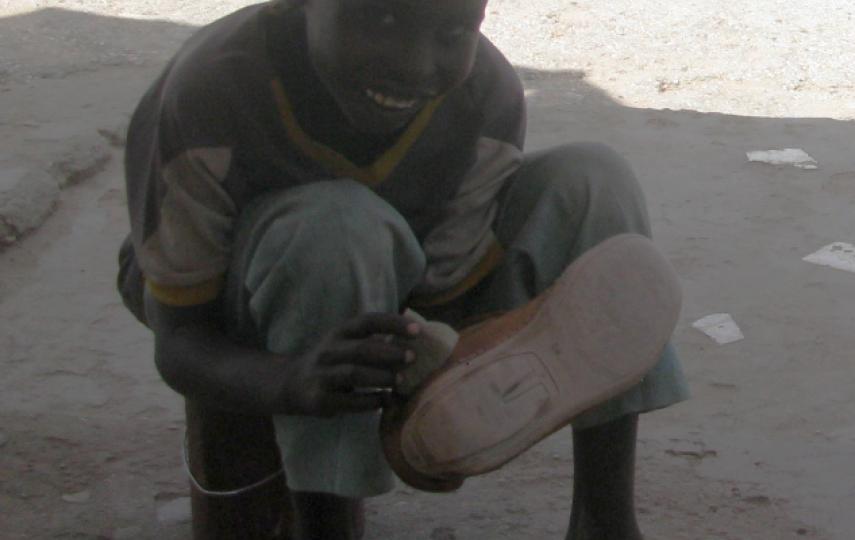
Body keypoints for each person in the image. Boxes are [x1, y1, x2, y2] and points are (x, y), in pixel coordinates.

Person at [118, 0, 689, 538]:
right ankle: (327, 526)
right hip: (236, 302)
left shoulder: (485, 93)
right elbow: (181, 340)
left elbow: (448, 286)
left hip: (405, 280)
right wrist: (291, 380)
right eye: (383, 20)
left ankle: (604, 522)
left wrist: (443, 363)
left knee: (595, 179)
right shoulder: (212, 90)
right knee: (337, 226)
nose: (415, 66)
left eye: (453, 32)